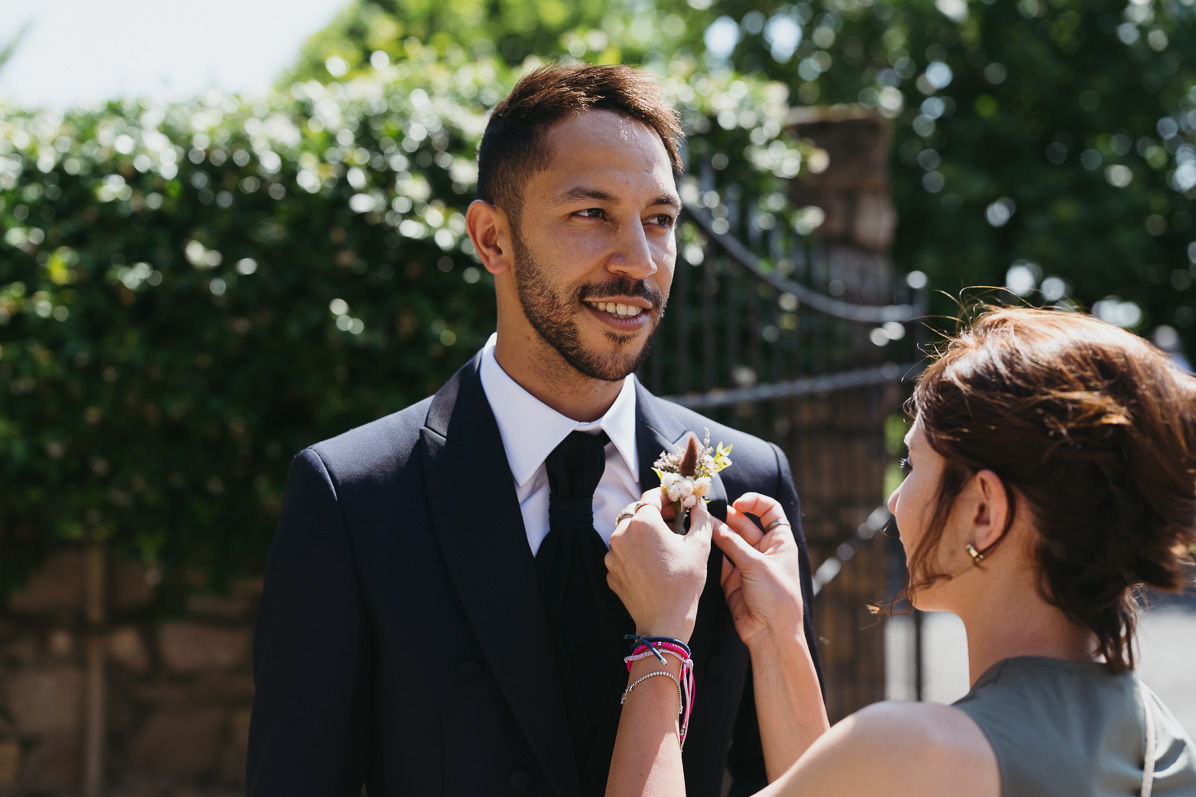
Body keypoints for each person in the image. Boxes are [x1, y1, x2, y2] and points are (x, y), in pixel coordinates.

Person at [246, 63, 822, 796]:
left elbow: (796, 778)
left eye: (659, 219)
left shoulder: (746, 484)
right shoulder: (354, 500)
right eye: (592, 214)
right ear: (492, 239)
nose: (640, 261)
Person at [606, 306, 1196, 796]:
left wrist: (663, 633)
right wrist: (778, 634)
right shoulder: (1159, 742)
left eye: (912, 464)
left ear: (983, 512)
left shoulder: (912, 751)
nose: (894, 500)